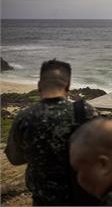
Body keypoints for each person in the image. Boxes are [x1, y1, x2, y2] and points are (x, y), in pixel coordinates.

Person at [5, 59, 98, 205]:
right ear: (67, 85)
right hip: (80, 198)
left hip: (43, 200)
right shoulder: (85, 112)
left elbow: (15, 159)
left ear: (39, 85)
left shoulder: (25, 117)